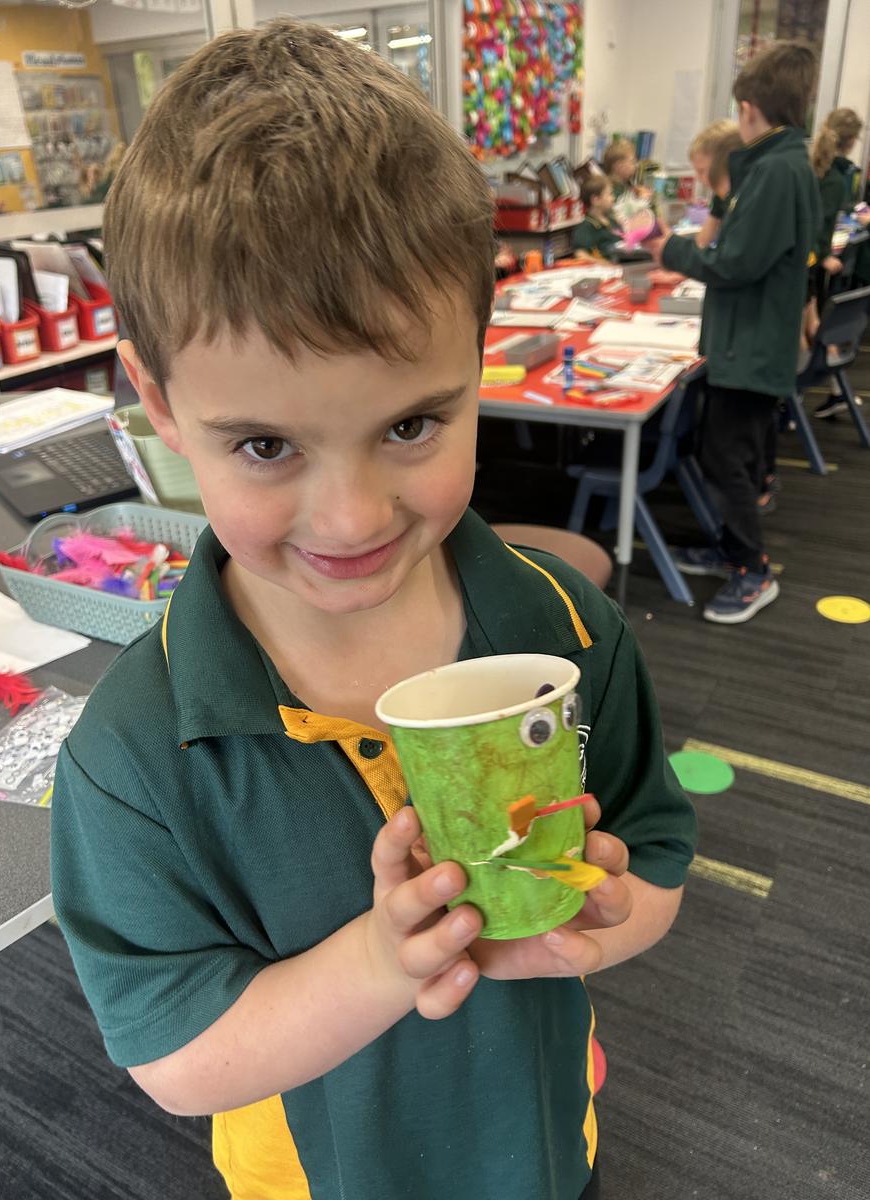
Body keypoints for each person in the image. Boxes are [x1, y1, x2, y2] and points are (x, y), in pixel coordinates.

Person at [49, 22, 697, 1200]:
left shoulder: (565, 632)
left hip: (551, 1156)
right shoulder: (137, 753)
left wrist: (605, 917)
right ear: (157, 401)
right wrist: (385, 963)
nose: (351, 519)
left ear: (478, 355)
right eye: (264, 445)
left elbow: (655, 856)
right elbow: (176, 1056)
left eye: (411, 425)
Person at [647, 40, 820, 624]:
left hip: (751, 347)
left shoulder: (775, 171)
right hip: (746, 342)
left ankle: (753, 570)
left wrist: (669, 250)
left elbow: (734, 264)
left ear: (748, 109)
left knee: (726, 457)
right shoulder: (777, 165)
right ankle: (730, 549)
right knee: (721, 451)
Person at [807, 109, 864, 418]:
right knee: (812, 326)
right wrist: (823, 254)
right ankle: (830, 391)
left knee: (812, 326)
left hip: (811, 261)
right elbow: (817, 222)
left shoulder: (825, 173)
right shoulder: (834, 179)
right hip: (812, 261)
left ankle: (810, 395)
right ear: (852, 140)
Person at [688, 121, 742, 248]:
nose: (698, 178)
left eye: (701, 171)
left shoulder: (747, 200)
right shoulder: (720, 197)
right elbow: (702, 242)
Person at [572, 175, 624, 258]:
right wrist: (607, 264)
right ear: (595, 200)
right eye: (610, 194)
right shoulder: (586, 227)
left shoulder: (612, 221)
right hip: (608, 265)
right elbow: (581, 254)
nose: (613, 198)